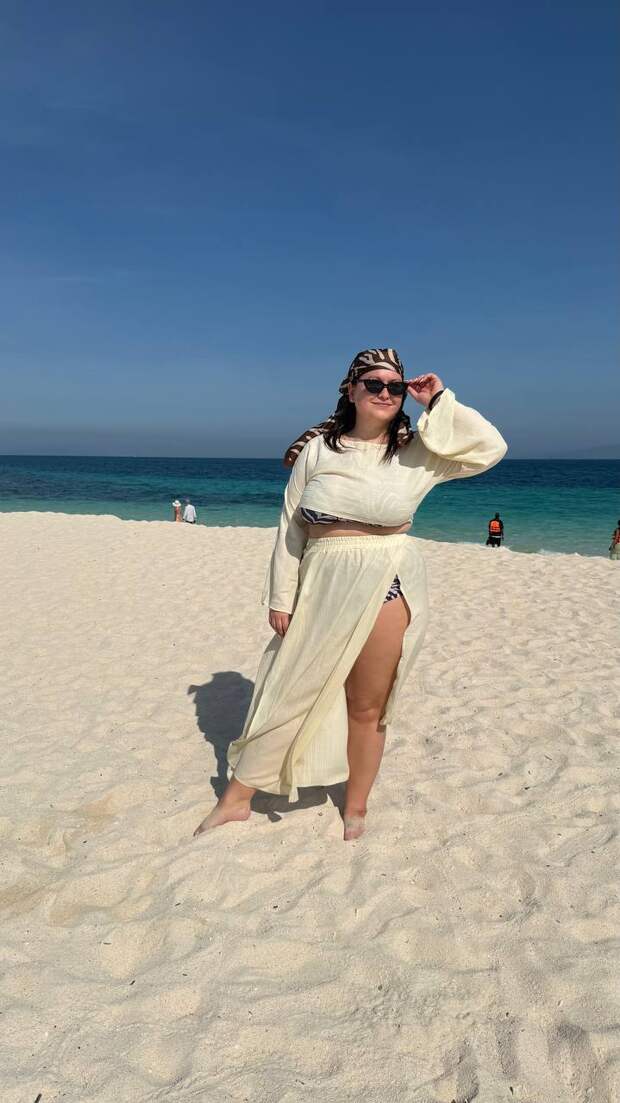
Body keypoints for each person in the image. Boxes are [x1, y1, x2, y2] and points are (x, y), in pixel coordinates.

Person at [194, 348, 507, 841]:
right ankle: (236, 800)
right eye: (373, 384)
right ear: (351, 389)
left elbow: (490, 447)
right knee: (288, 690)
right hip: (320, 580)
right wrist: (281, 596)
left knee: (367, 706)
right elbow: (290, 526)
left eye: (395, 386)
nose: (385, 393)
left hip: (386, 581)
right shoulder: (319, 449)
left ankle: (356, 805)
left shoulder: (419, 452)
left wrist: (438, 400)